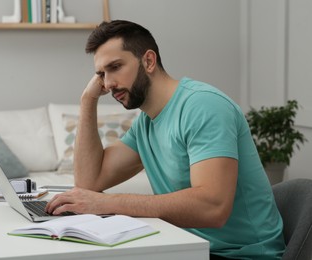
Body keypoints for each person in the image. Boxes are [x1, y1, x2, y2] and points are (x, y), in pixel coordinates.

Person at [46, 20, 285, 259]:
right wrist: (88, 100)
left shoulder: (203, 106)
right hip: (186, 247)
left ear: (148, 61)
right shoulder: (145, 123)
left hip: (240, 255)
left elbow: (213, 207)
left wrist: (106, 203)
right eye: (101, 74)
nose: (108, 84)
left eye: (115, 67)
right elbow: (89, 181)